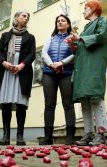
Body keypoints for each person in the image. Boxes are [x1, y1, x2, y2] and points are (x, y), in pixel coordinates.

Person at [65, 0, 107, 146]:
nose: (83, 11)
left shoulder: (102, 21)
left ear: (93, 9)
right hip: (82, 67)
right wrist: (73, 45)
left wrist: (80, 38)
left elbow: (102, 36)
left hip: (94, 65)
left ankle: (101, 134)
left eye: (85, 8)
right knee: (84, 99)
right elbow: (81, 47)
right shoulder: (86, 28)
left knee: (96, 96)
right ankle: (88, 133)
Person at [0, 11, 36, 146]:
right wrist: (4, 63)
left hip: (22, 72)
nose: (26, 18)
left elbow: (32, 54)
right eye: (23, 15)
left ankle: (20, 136)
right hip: (6, 71)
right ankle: (5, 135)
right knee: (6, 104)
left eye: (27, 17)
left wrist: (22, 65)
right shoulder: (5, 35)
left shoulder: (31, 37)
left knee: (21, 104)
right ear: (16, 18)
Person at [40, 14, 76, 145]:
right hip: (49, 73)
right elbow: (43, 53)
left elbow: (75, 54)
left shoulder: (72, 38)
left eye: (63, 21)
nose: (60, 23)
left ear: (68, 24)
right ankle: (48, 137)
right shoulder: (50, 38)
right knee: (49, 104)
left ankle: (70, 137)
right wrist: (52, 64)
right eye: (58, 21)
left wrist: (61, 62)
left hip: (66, 73)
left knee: (68, 104)